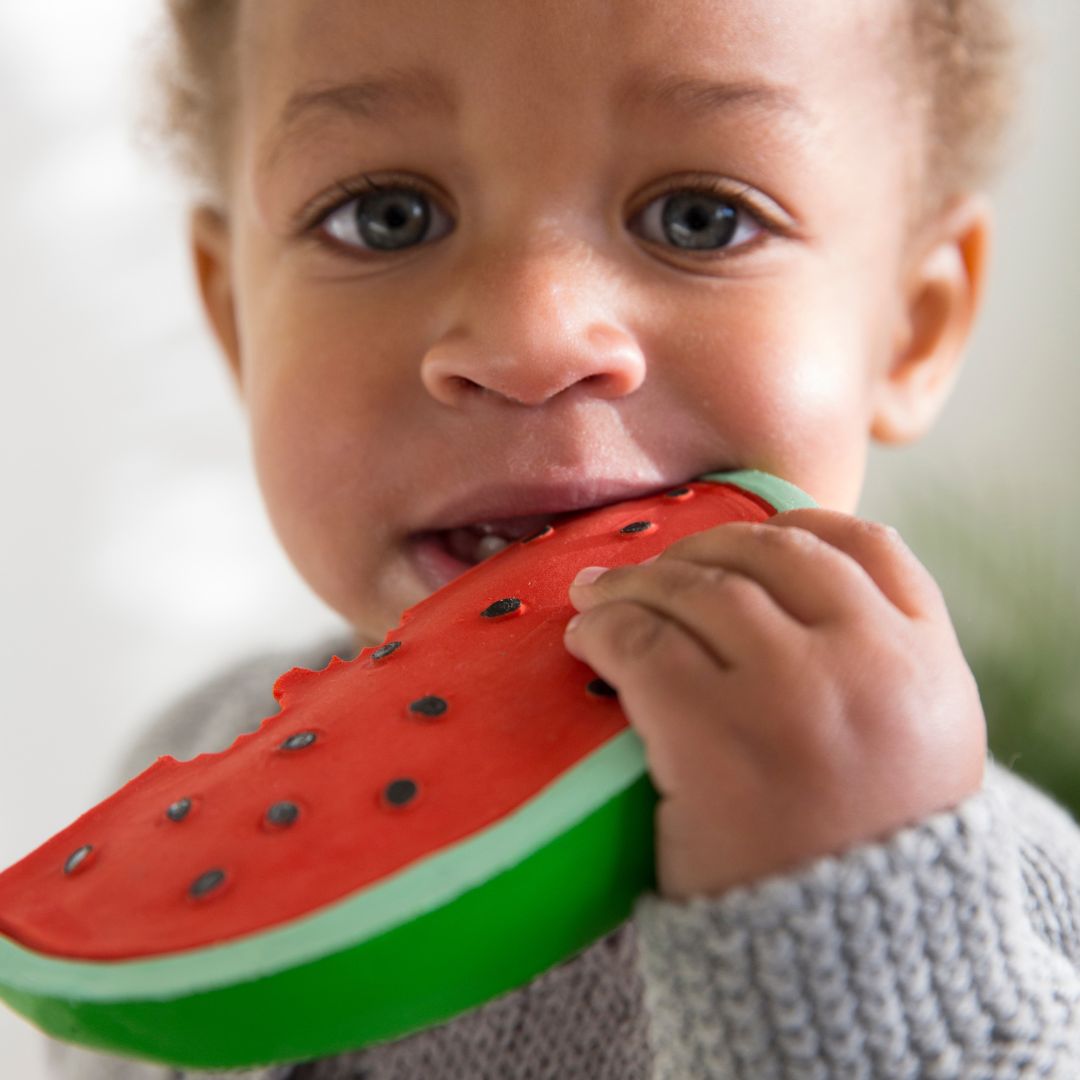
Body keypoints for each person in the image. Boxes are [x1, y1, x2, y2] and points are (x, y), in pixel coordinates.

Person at [46, 0, 1080, 1077]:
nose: (532, 338)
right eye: (385, 215)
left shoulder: (1005, 900)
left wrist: (852, 938)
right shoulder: (191, 773)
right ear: (234, 322)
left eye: (700, 218)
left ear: (912, 327)